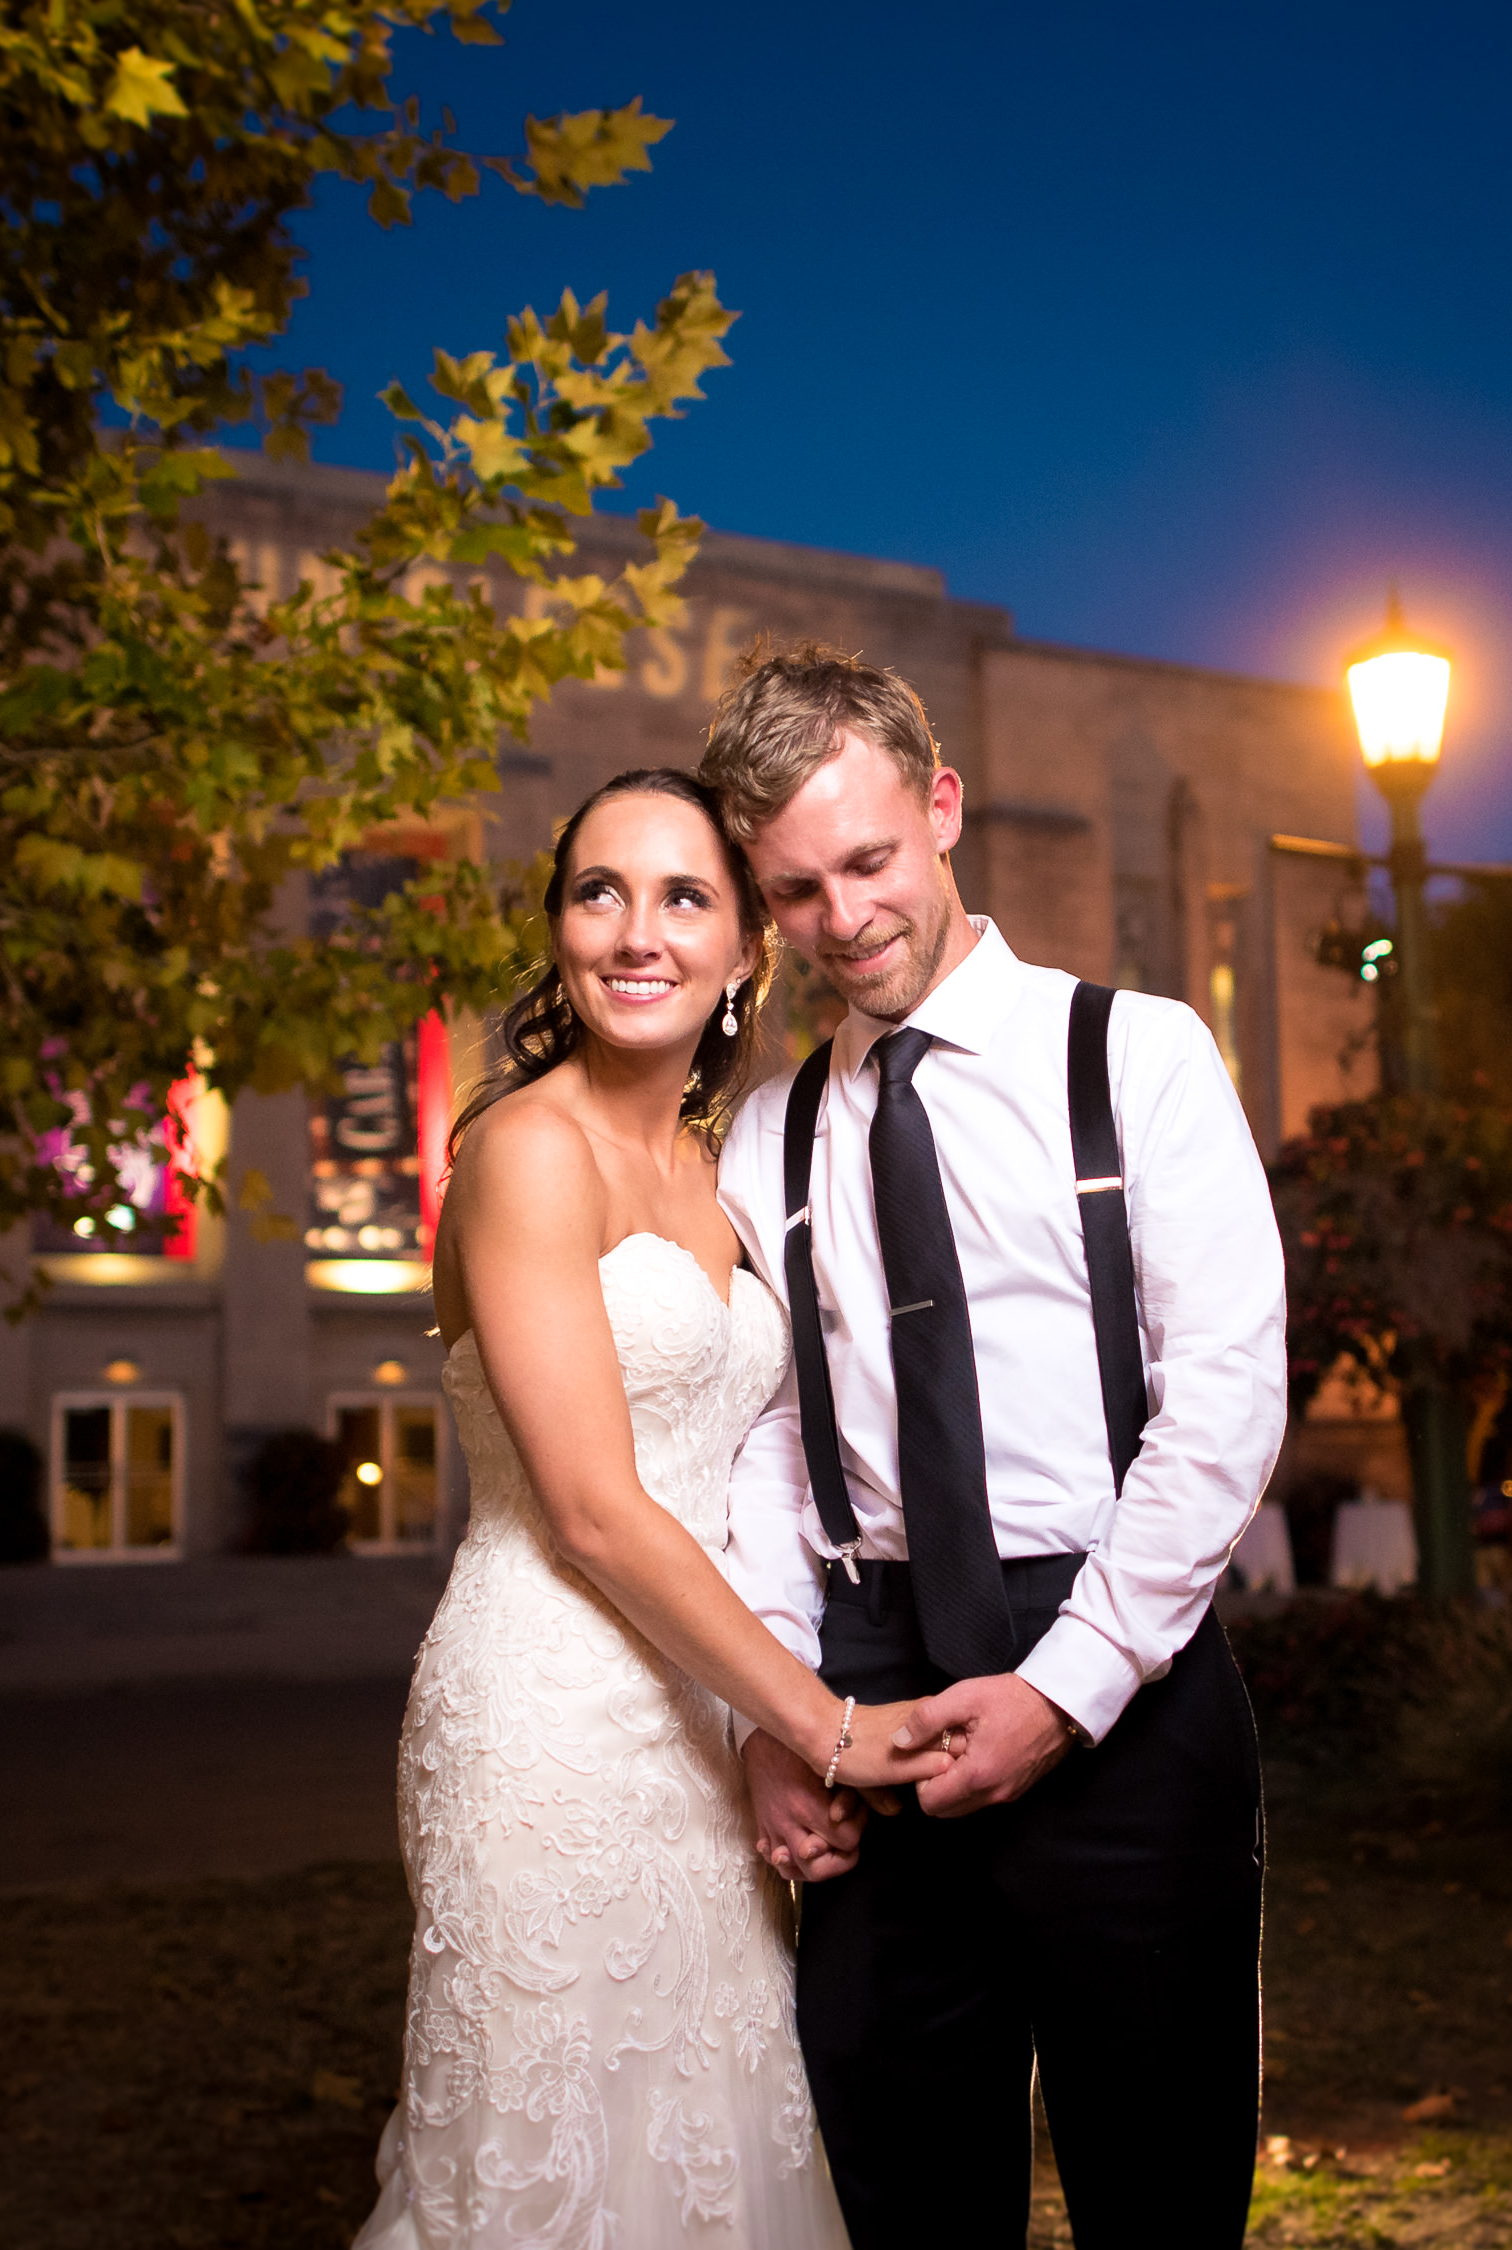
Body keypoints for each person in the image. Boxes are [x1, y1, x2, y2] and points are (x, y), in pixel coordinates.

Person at [704, 646, 1289, 2248]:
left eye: (871, 860)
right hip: (867, 1683)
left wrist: (1066, 1684)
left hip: (1122, 1679)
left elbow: (1226, 1398)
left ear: (944, 808)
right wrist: (780, 1716)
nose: (844, 918)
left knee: (1158, 2194)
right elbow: (768, 1439)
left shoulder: (1140, 1053)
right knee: (904, 2197)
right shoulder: (767, 1135)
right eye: (796, 888)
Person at [356, 767, 957, 2250]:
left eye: (685, 895)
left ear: (749, 947)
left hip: (703, 1726)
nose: (639, 931)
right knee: (551, 2155)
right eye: (598, 891)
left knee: (712, 2140)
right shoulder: (520, 1148)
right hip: (547, 1719)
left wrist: (756, 1728)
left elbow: (765, 1458)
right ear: (558, 929)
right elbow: (594, 1511)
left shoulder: (724, 1166)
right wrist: (825, 1722)